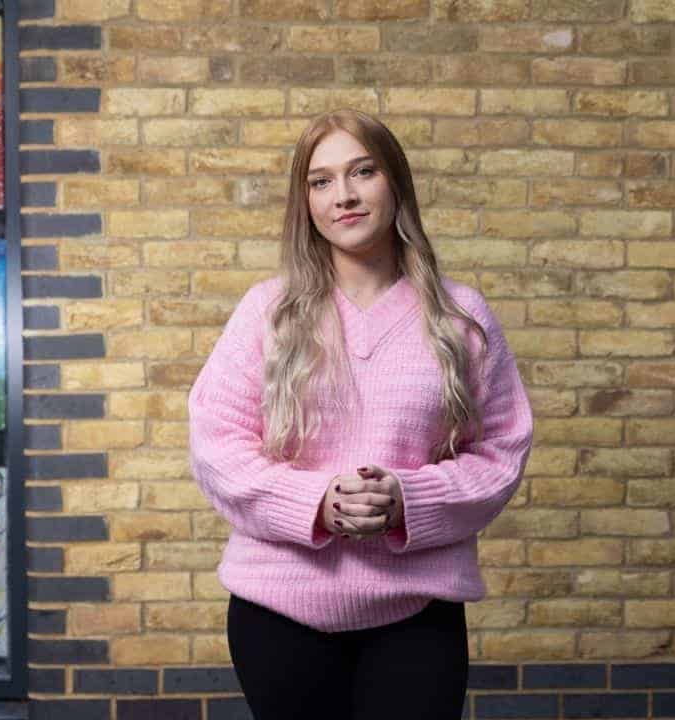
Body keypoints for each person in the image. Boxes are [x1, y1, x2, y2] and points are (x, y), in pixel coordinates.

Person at [187, 109, 534, 720]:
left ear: (394, 181)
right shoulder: (267, 311)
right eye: (320, 182)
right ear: (306, 203)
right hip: (278, 613)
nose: (343, 196)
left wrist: (408, 499)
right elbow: (218, 445)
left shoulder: (460, 316)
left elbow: (500, 453)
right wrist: (317, 502)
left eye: (362, 172)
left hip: (416, 615)